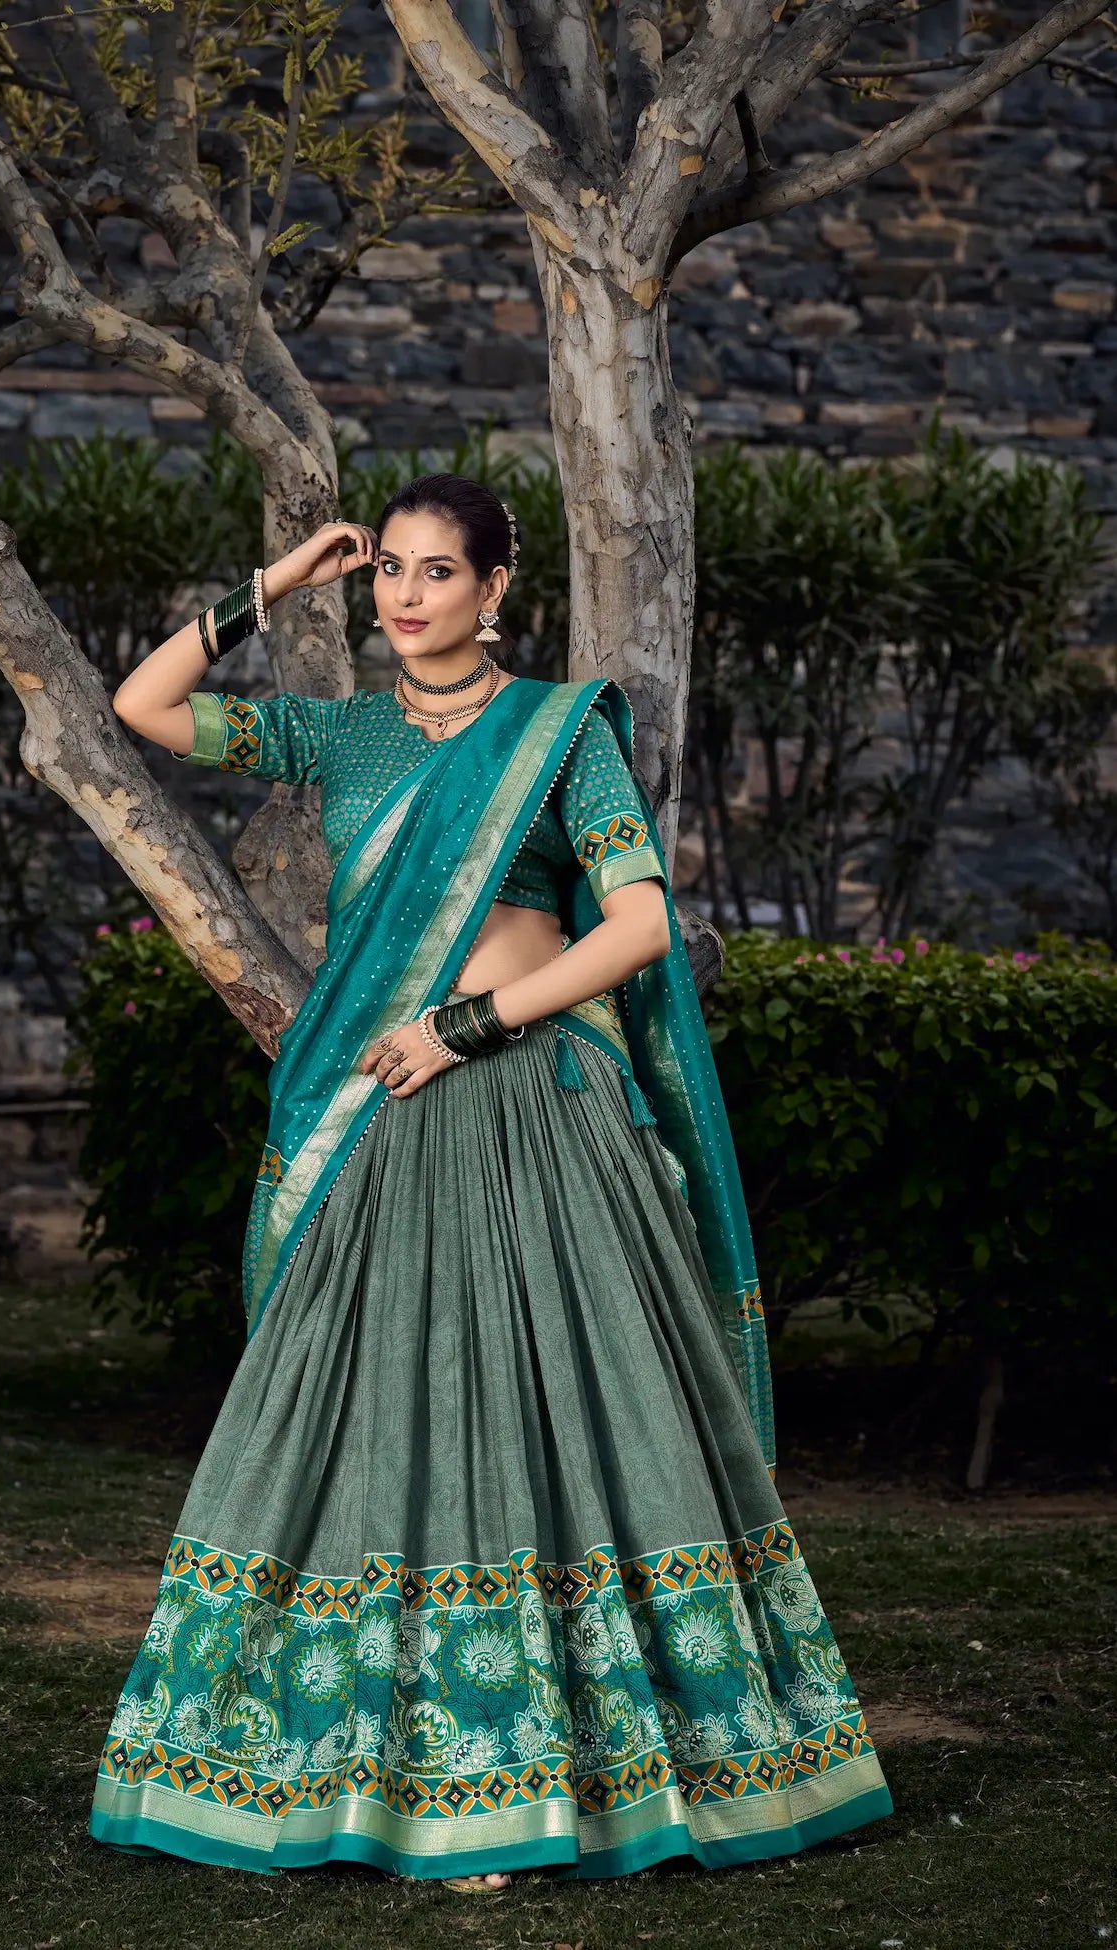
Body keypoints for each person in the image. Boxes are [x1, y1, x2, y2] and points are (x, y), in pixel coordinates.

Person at [89, 474, 891, 1891]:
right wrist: (276, 584)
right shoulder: (341, 732)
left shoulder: (559, 732)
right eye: (389, 570)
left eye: (437, 571)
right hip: (390, 1110)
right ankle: (408, 1769)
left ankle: (573, 1766)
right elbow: (142, 707)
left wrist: (470, 1024)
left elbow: (638, 924)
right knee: (384, 1406)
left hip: (536, 1100)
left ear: (495, 587)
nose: (405, 596)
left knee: (576, 1404)